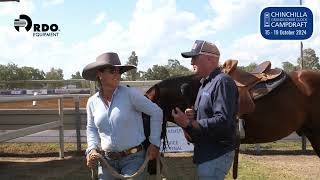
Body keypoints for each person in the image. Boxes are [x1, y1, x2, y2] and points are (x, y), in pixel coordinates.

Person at [82, 52, 163, 180]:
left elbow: (156, 112)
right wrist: (91, 149)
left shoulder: (131, 94)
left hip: (134, 159)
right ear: (99, 74)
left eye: (119, 71)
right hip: (106, 161)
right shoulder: (92, 102)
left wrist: (154, 143)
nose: (117, 75)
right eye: (112, 71)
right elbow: (91, 128)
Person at [172, 40, 238, 180]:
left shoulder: (222, 82)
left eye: (195, 57)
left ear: (210, 59)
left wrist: (189, 124)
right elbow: (210, 113)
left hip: (216, 152)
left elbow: (223, 121)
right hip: (207, 151)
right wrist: (194, 115)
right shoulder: (205, 83)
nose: (191, 62)